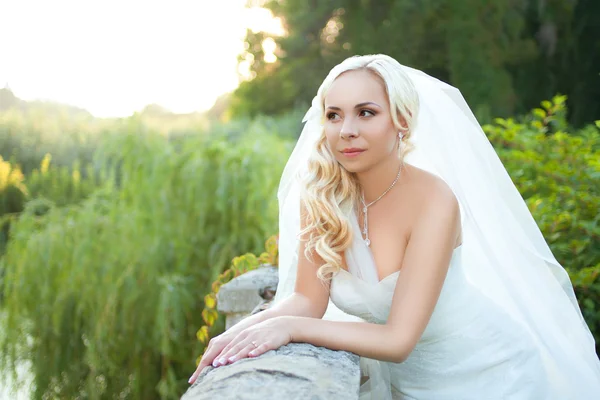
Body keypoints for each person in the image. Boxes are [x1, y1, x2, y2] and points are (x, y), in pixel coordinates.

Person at [189, 54, 600, 399]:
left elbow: (399, 340)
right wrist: (240, 333)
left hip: (492, 373)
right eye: (334, 115)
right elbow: (306, 301)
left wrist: (290, 329)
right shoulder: (323, 200)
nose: (346, 130)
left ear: (401, 120)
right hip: (410, 388)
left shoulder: (433, 201)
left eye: (366, 113)